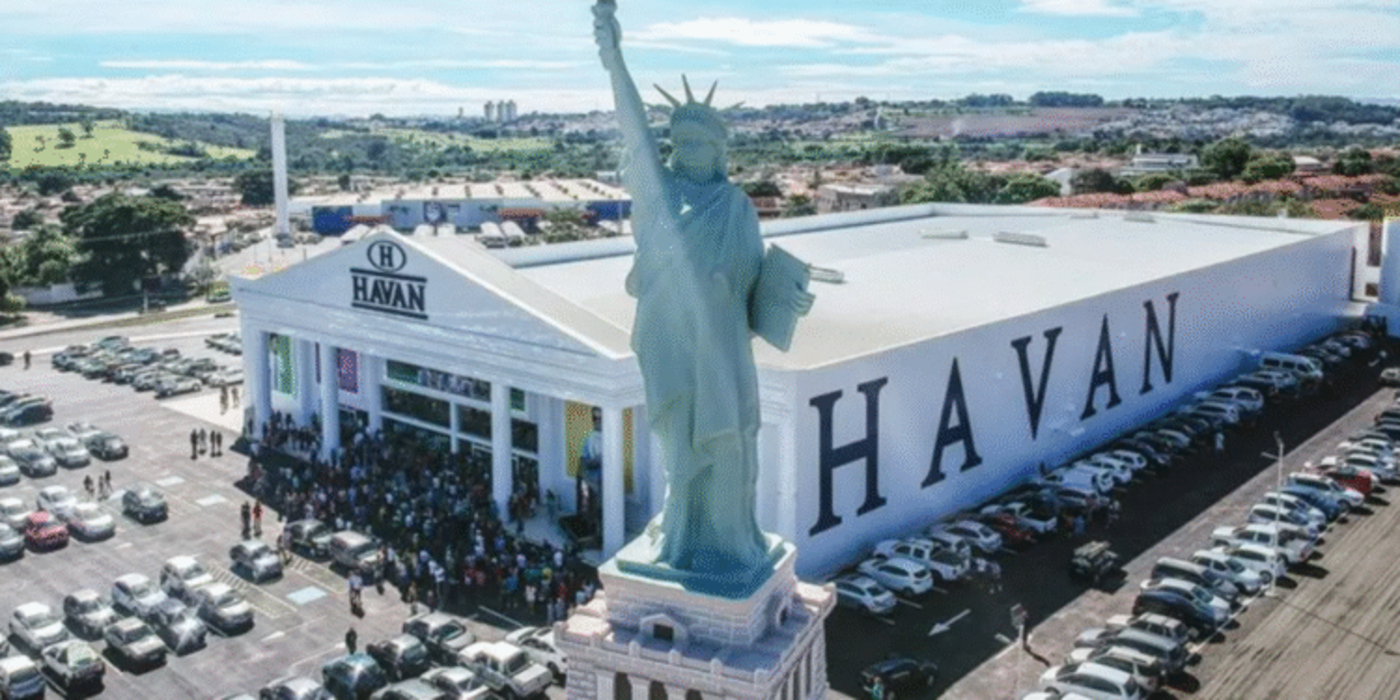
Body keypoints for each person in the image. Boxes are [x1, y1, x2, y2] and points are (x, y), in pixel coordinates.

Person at [593, 0, 814, 573]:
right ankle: (680, 535)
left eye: (697, 143)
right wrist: (614, 59)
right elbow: (634, 131)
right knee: (681, 448)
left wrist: (788, 300)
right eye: (679, 143)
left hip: (723, 347)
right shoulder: (662, 196)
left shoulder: (738, 207)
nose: (683, 152)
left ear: (719, 151)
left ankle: (730, 542)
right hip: (670, 341)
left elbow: (753, 288)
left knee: (732, 444)